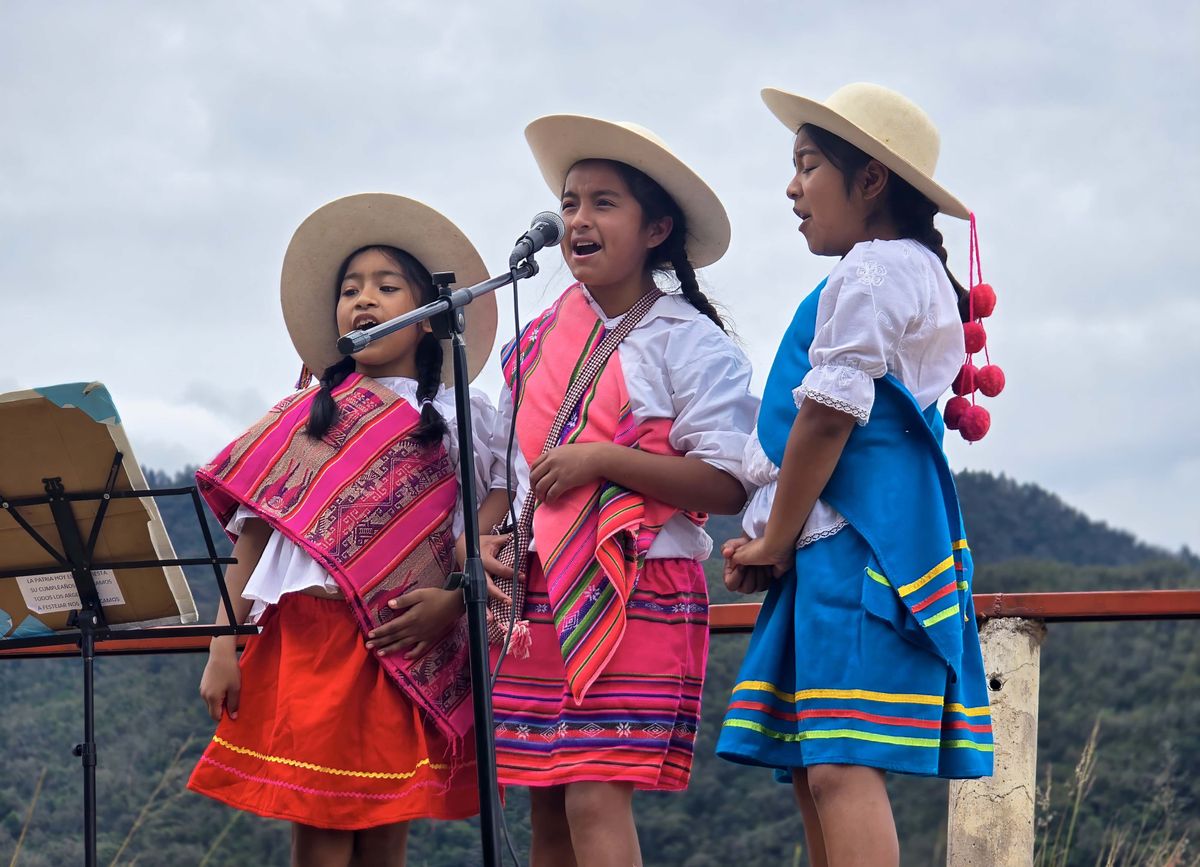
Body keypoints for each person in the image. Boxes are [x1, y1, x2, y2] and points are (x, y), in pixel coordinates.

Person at [716, 83, 995, 867]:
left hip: (855, 543)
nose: (792, 188)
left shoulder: (875, 269)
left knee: (838, 762)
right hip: (840, 541)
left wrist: (774, 536)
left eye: (808, 165)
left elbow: (828, 416)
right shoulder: (899, 270)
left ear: (870, 179)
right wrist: (777, 538)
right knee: (819, 762)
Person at [187, 193, 501, 867]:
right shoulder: (306, 414)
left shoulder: (462, 415)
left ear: (427, 316)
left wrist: (454, 599)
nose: (365, 299)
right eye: (351, 289)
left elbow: (490, 514)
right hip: (310, 636)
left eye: (387, 287)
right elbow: (255, 537)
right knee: (320, 830)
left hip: (403, 636)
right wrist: (222, 643)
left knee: (386, 830)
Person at [480, 114, 759, 867]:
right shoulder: (535, 338)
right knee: (547, 802)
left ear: (656, 229)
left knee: (594, 795)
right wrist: (483, 534)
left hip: (638, 584)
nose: (578, 219)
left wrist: (605, 460)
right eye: (570, 203)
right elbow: (506, 473)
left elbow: (728, 481)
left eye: (604, 203)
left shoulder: (688, 342)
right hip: (538, 589)